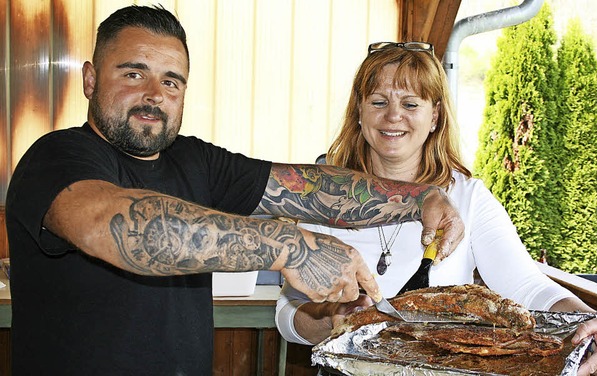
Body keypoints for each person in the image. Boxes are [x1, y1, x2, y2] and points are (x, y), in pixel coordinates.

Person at [5, 8, 466, 376]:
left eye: (171, 81)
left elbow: (310, 188)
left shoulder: (194, 160)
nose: (154, 93)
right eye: (132, 74)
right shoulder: (56, 157)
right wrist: (291, 247)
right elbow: (118, 226)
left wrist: (417, 198)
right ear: (90, 79)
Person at [275, 41, 597, 376]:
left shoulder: (468, 198)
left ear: (434, 117)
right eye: (379, 102)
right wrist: (333, 316)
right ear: (359, 113)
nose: (393, 116)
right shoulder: (320, 195)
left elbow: (529, 287)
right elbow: (287, 313)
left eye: (411, 104)